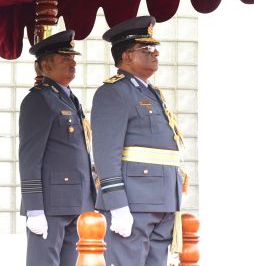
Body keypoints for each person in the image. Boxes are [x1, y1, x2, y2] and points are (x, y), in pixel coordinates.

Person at [91, 16, 186, 266]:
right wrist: (117, 206)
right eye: (146, 49)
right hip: (133, 201)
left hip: (162, 200)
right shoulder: (114, 92)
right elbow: (105, 154)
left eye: (154, 48)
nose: (155, 53)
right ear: (127, 56)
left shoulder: (152, 93)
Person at [18, 30, 96, 266]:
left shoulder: (69, 98)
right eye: (65, 58)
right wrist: (34, 209)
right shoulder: (39, 99)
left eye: (73, 58)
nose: (73, 63)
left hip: (76, 200)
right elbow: (30, 158)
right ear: (45, 65)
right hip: (50, 204)